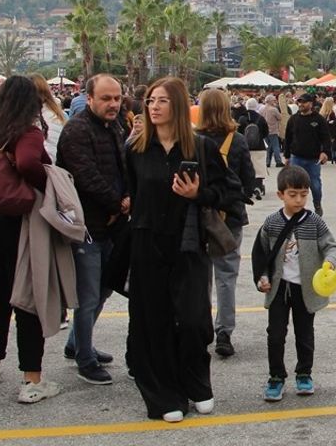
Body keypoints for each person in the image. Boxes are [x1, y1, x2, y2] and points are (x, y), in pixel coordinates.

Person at [126, 77, 235, 422]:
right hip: (147, 244)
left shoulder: (200, 148)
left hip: (188, 244)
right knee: (153, 322)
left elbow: (228, 193)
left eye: (161, 101)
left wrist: (197, 195)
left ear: (176, 105)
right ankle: (163, 395)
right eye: (150, 101)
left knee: (192, 321)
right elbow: (129, 192)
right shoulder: (135, 149)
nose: (153, 107)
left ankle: (196, 383)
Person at [0, 75, 59, 403]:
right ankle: (32, 379)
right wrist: (42, 185)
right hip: (16, 217)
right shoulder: (28, 131)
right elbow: (28, 161)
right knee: (26, 295)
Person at [55, 74, 128, 385]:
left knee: (105, 287)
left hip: (111, 225)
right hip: (86, 226)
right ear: (90, 98)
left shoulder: (115, 126)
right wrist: (119, 204)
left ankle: (77, 344)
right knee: (87, 295)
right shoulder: (76, 130)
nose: (113, 104)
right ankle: (85, 358)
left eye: (117, 98)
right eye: (106, 98)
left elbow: (122, 168)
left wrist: (126, 199)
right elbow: (86, 177)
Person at [254, 165, 336, 401]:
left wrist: (330, 263)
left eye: (304, 194)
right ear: (281, 194)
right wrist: (261, 277)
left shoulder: (314, 222)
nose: (299, 199)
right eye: (293, 194)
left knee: (305, 334)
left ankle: (304, 373)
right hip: (279, 287)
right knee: (275, 334)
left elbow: (331, 246)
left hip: (306, 288)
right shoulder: (271, 222)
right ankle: (276, 377)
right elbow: (260, 254)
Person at [195, 88, 254, 360]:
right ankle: (225, 331)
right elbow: (248, 180)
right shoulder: (238, 140)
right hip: (229, 217)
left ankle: (201, 328)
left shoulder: (193, 140)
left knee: (200, 276)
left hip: (199, 216)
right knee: (227, 276)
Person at [283, 93, 331, 218]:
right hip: (296, 157)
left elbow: (326, 137)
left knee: (315, 185)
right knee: (295, 184)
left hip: (313, 159)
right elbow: (287, 138)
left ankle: (317, 204)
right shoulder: (293, 119)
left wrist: (325, 152)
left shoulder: (318, 119)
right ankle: (296, 208)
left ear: (311, 104)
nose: (301, 104)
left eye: (303, 102)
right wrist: (287, 156)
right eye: (299, 102)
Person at [260, 94, 286, 168]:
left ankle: (267, 162)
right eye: (273, 100)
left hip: (265, 131)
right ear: (270, 101)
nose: (275, 101)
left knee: (268, 147)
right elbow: (280, 117)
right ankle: (278, 161)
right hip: (273, 130)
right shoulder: (273, 109)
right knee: (276, 146)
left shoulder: (262, 109)